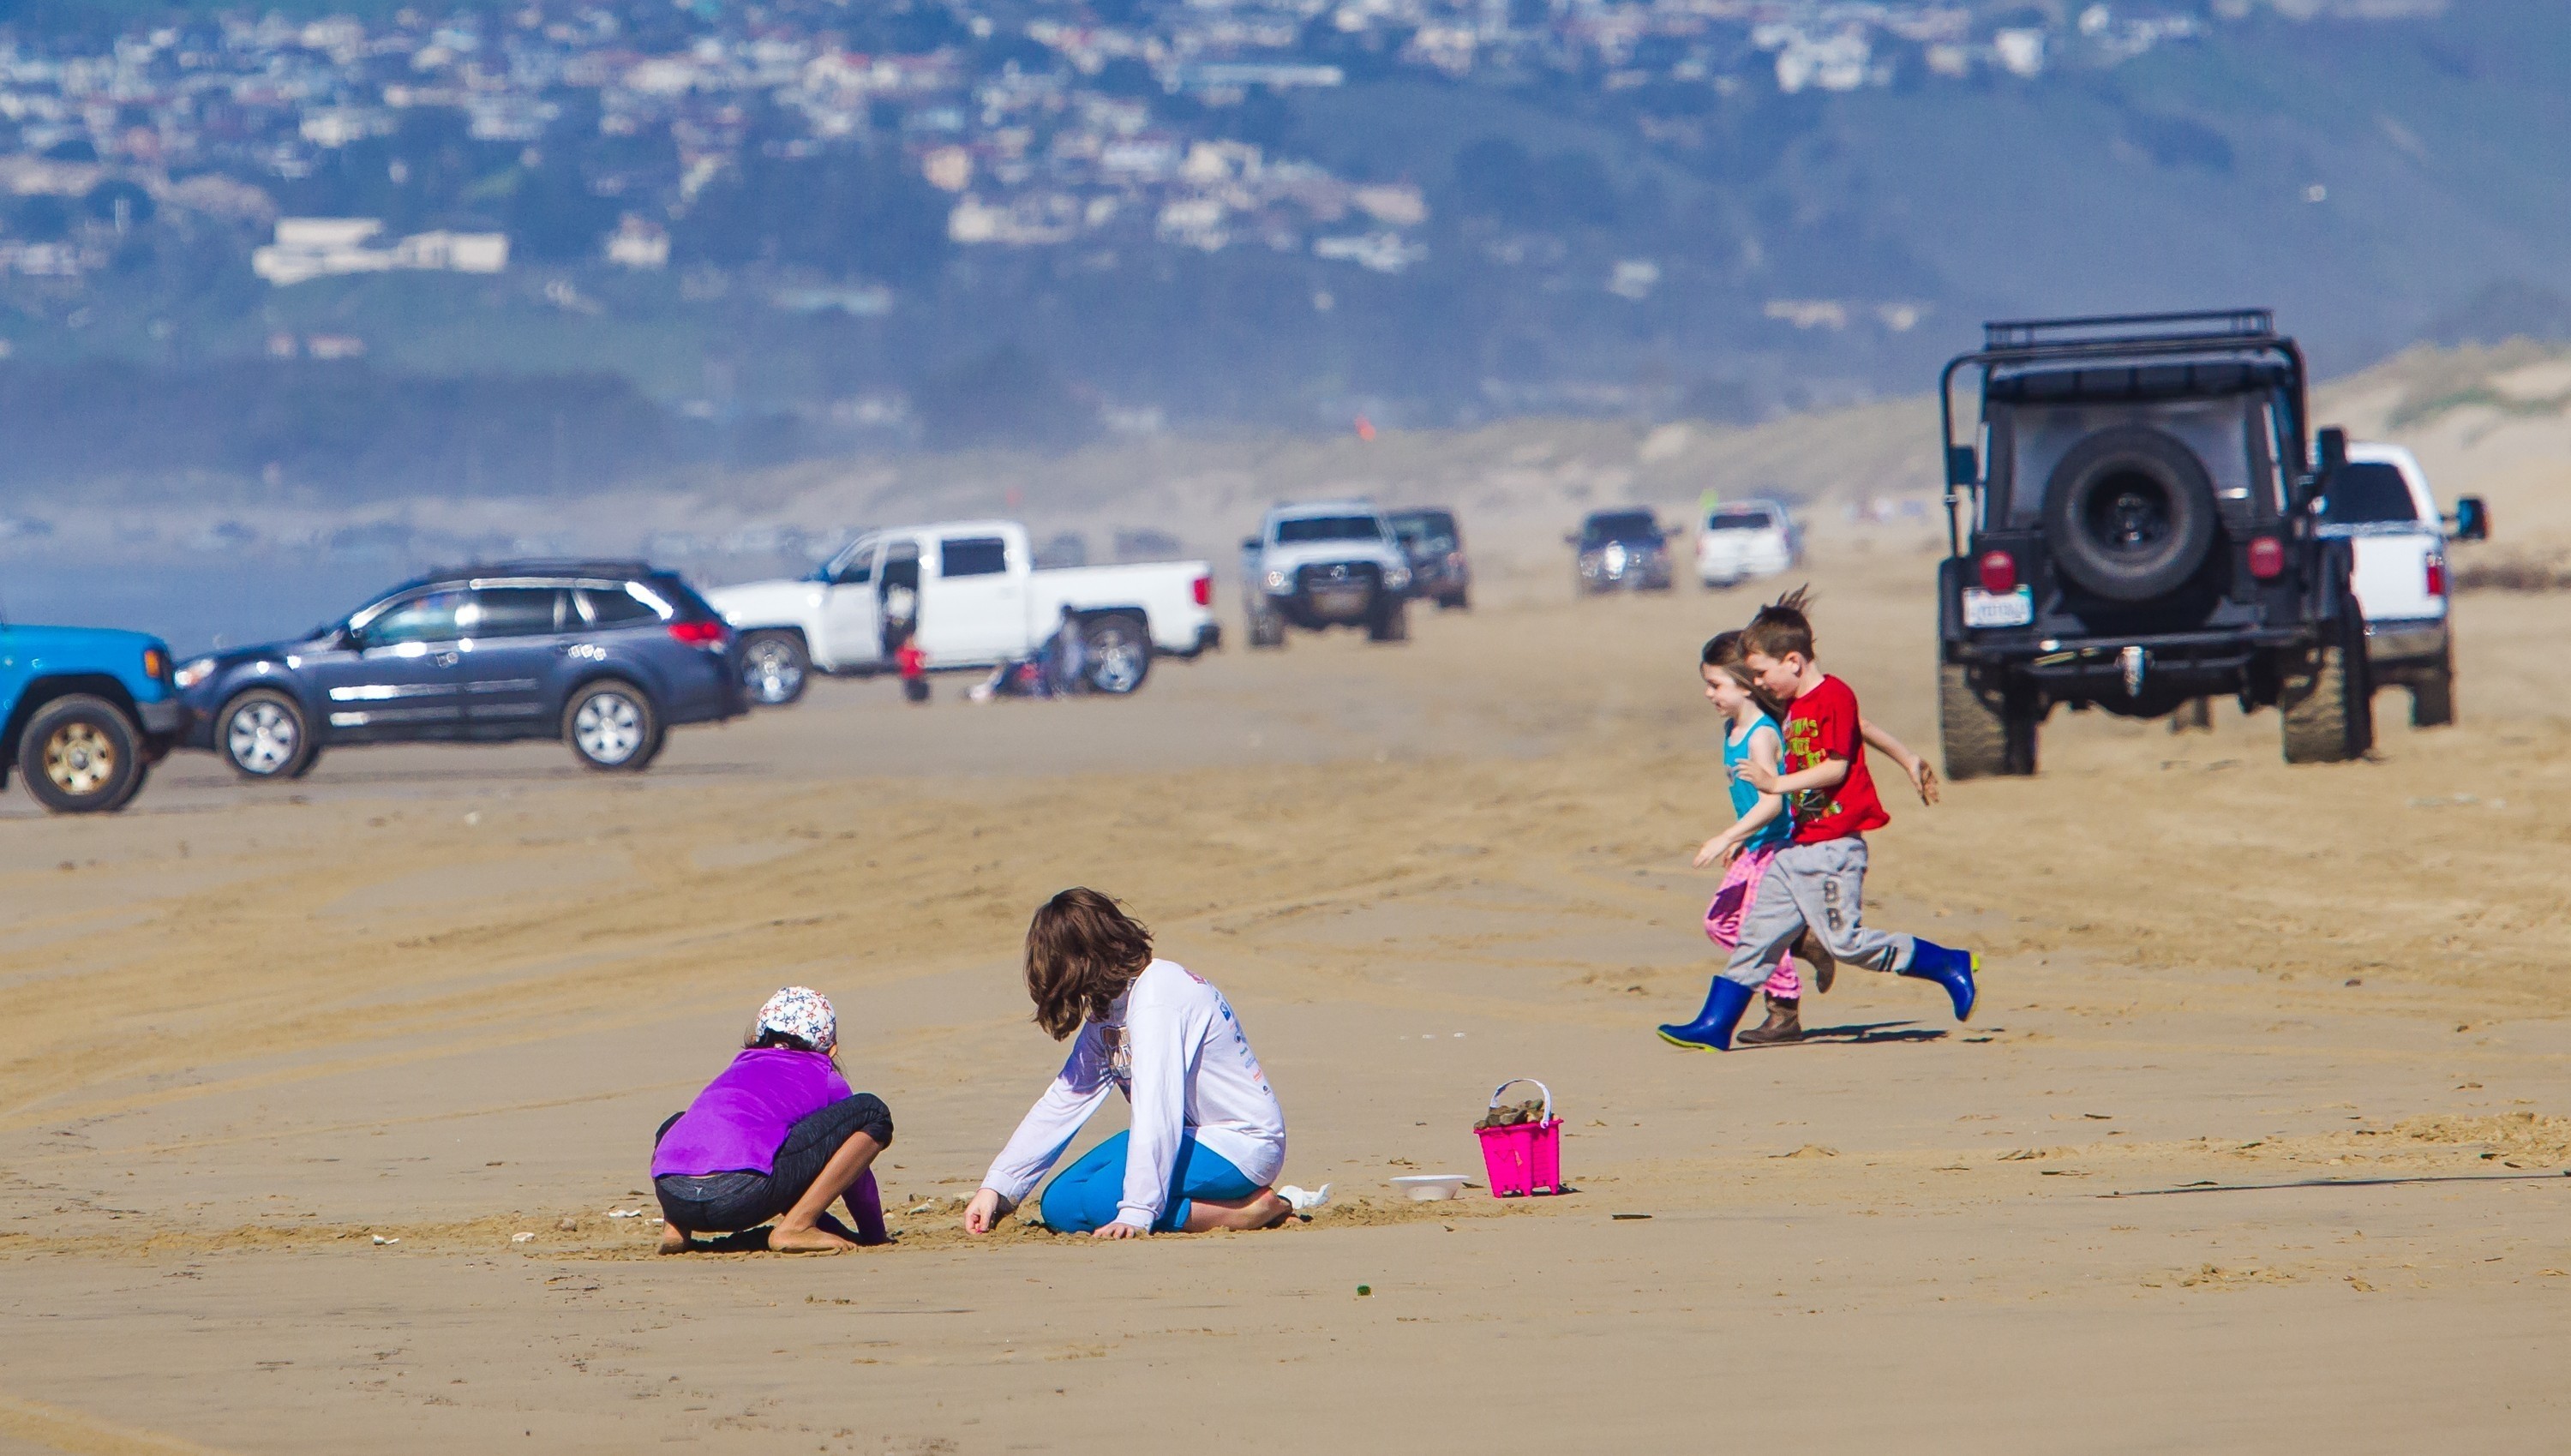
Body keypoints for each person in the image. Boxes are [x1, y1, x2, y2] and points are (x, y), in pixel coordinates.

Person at [1659, 588, 1980, 1052]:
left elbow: (1837, 767)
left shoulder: (1834, 695)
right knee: (1756, 938)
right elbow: (1866, 730)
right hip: (1796, 849)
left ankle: (1948, 962)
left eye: (1763, 674)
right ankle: (1715, 1024)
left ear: (1793, 661)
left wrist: (1775, 786)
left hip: (1833, 849)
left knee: (1845, 942)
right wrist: (1907, 757)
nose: (1761, 685)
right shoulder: (1794, 704)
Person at [962, 889, 1327, 1238]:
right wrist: (997, 1187)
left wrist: (1137, 1212)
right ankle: (1181, 1204)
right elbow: (1065, 1100)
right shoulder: (1110, 1009)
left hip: (1241, 1142)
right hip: (1186, 1136)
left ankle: (1250, 1211)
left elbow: (1157, 1106)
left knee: (1104, 1200)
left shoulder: (1158, 997)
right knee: (1061, 1204)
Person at [650, 987, 895, 1253]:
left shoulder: (736, 1069)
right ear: (831, 1048)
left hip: (675, 1196)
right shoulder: (825, 1078)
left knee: (678, 1124)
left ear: (758, 1036)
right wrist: (874, 1234)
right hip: (741, 1196)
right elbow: (854, 1168)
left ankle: (675, 1228)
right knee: (872, 1112)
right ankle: (797, 1227)